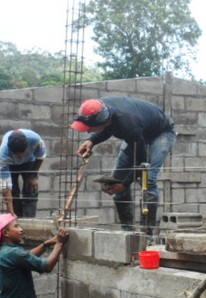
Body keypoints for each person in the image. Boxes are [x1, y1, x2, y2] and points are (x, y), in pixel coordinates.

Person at [71, 97, 176, 231]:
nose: (87, 131)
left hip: (161, 133)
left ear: (101, 121)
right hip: (138, 132)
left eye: (90, 128)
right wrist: (92, 141)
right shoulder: (98, 108)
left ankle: (147, 232)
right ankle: (127, 230)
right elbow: (109, 128)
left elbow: (142, 161)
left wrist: (125, 184)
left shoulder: (128, 124)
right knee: (116, 181)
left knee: (148, 179)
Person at [0, 129, 47, 217]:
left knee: (30, 189)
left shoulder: (35, 140)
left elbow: (40, 157)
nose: (20, 157)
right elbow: (5, 185)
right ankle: (15, 218)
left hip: (29, 162)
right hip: (11, 165)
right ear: (11, 151)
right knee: (13, 191)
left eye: (22, 153)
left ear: (27, 146)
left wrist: (33, 175)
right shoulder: (4, 154)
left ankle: (29, 219)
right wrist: (10, 208)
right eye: (16, 154)